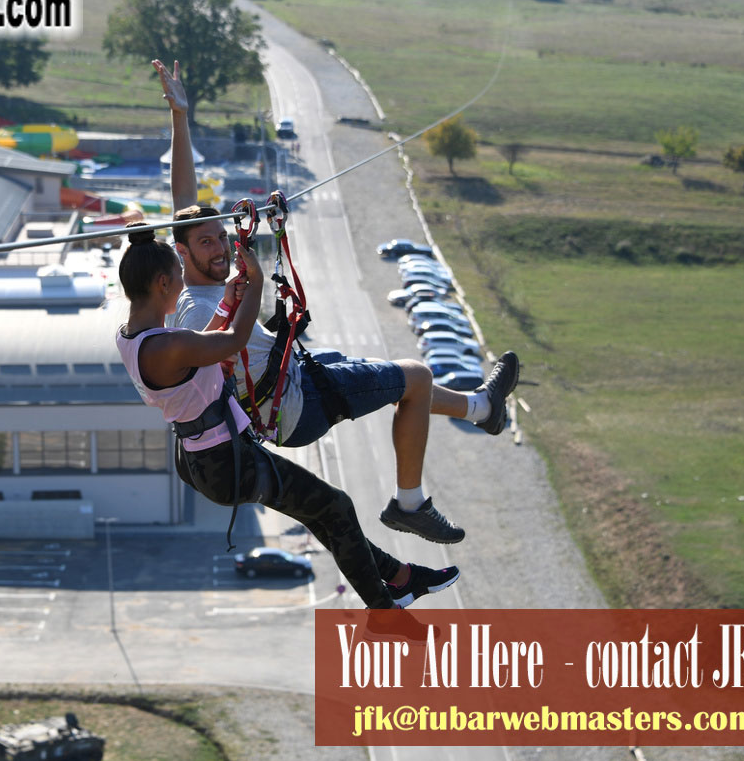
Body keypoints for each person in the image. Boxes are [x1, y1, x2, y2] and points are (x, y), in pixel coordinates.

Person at [152, 58, 520, 547]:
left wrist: (180, 117)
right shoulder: (197, 310)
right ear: (183, 253)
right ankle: (409, 505)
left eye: (221, 238)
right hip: (294, 405)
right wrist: (253, 284)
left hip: (294, 382)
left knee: (392, 379)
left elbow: (184, 202)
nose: (220, 249)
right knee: (417, 376)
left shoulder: (196, 275)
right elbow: (219, 349)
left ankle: (481, 408)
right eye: (207, 243)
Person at [114, 221, 459, 610]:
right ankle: (384, 611)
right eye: (179, 278)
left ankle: (400, 577)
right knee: (336, 506)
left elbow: (200, 344)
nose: (183, 285)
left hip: (207, 456)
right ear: (162, 283)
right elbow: (231, 341)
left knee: (322, 511)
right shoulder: (165, 346)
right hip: (224, 463)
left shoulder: (132, 337)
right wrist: (257, 281)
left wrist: (227, 300)